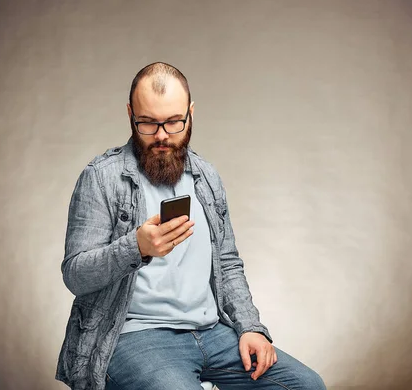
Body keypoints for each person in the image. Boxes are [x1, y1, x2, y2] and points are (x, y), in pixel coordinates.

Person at [55, 62, 327, 390]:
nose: (161, 136)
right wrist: (136, 247)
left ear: (191, 113)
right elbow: (75, 275)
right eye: (147, 123)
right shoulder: (102, 177)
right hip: (134, 336)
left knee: (307, 386)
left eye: (173, 122)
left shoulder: (206, 178)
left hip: (212, 333)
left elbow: (227, 265)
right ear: (130, 114)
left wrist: (250, 328)